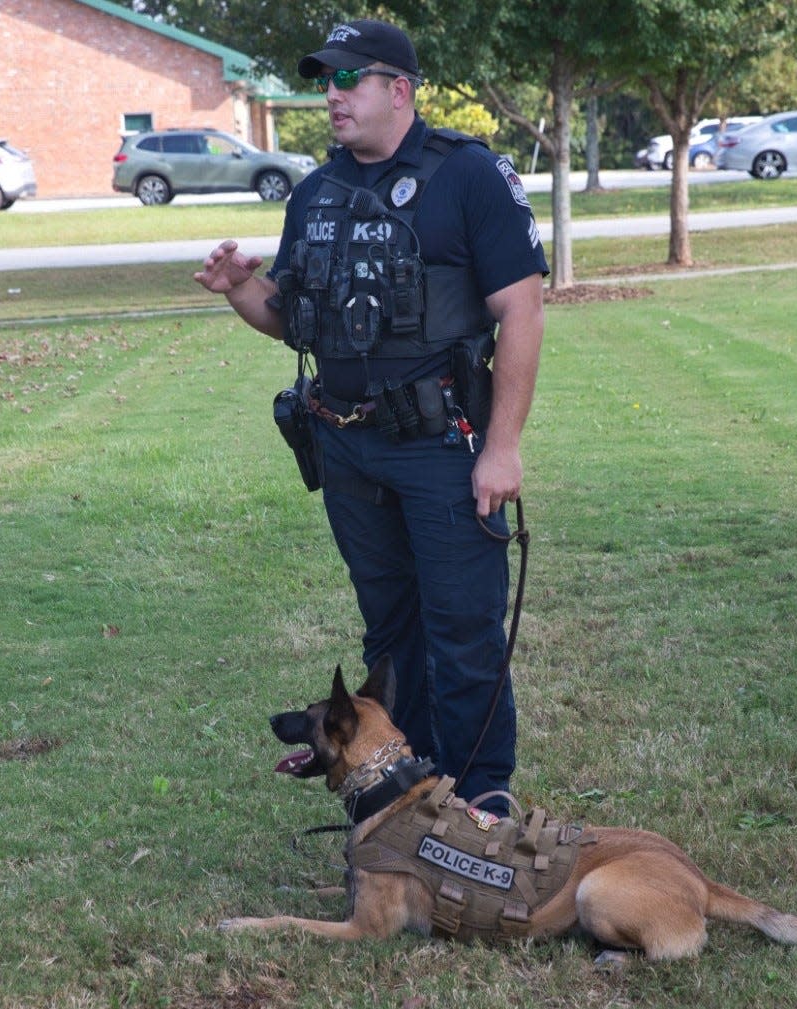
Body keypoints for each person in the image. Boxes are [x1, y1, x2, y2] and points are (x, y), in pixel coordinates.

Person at [194, 19, 547, 815]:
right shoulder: (314, 191)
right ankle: (408, 793)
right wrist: (239, 289)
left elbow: (521, 310)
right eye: (326, 81)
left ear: (400, 89)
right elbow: (297, 317)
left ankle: (483, 803)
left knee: (463, 628)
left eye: (349, 80)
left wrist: (503, 447)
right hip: (347, 445)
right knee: (390, 632)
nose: (332, 95)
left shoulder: (470, 176)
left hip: (441, 444)